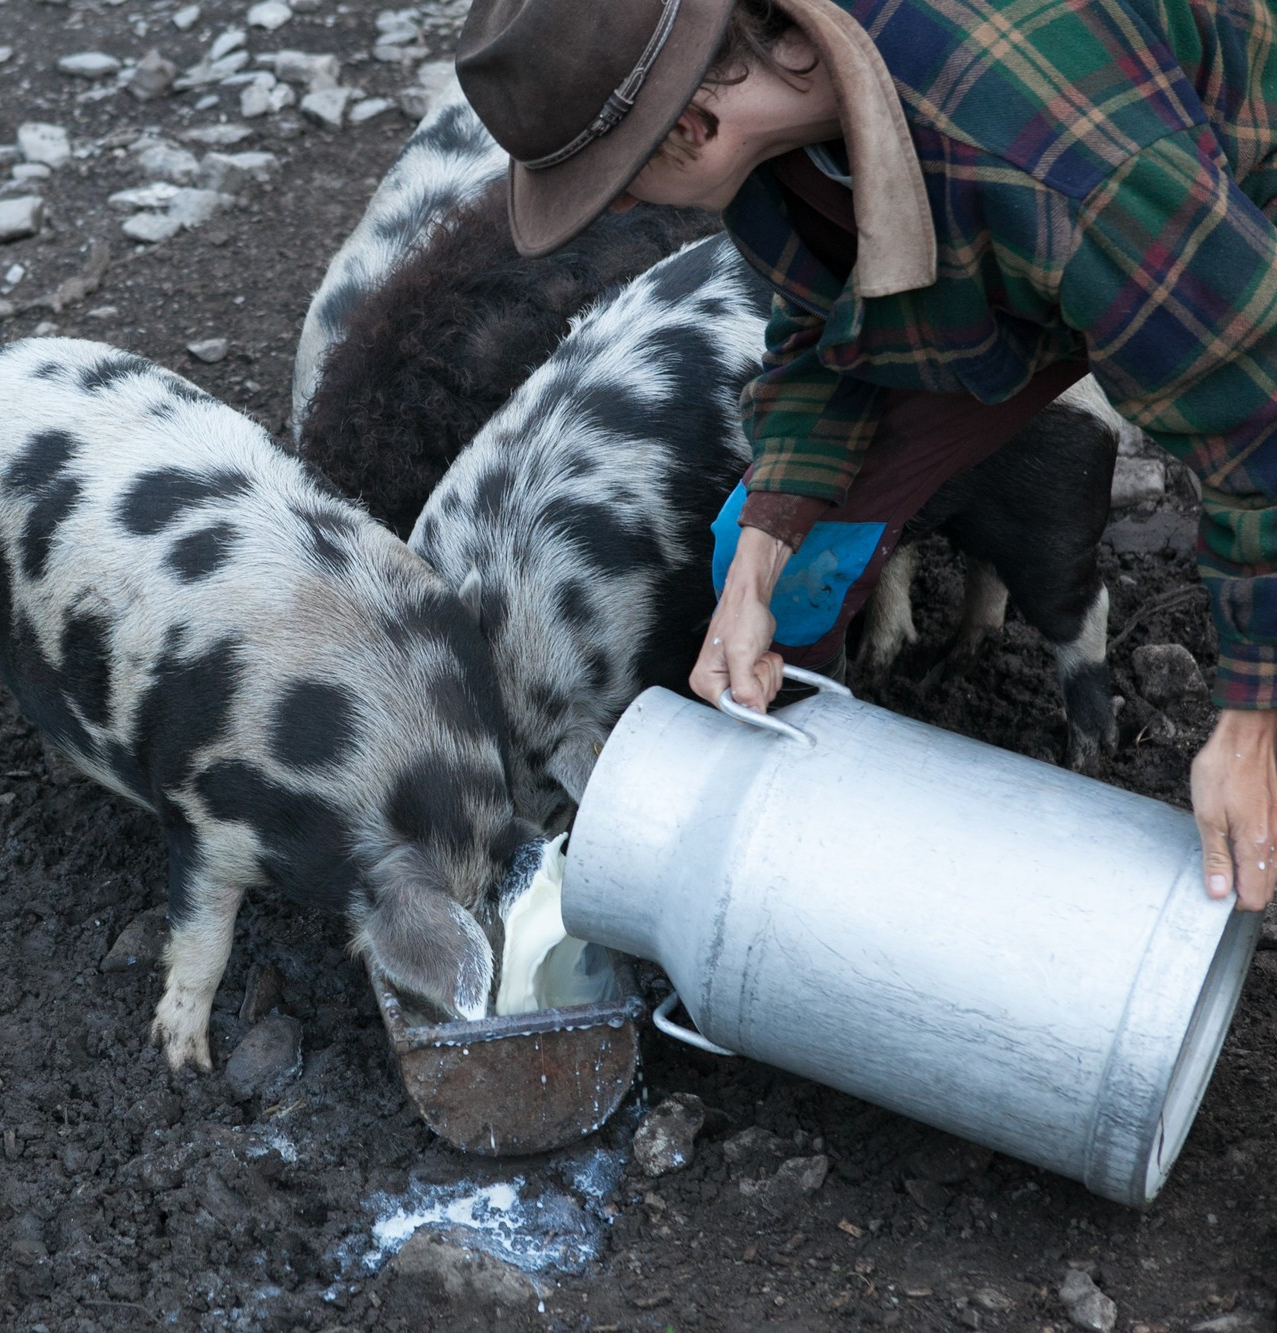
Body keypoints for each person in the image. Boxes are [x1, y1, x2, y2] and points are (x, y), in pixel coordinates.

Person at [455, 0, 1277, 912]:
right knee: (771, 548)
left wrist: (1249, 722)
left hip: (1223, 241)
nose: (626, 211)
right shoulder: (788, 133)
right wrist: (758, 564)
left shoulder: (1061, 172)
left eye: (619, 188)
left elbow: (1260, 412)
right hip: (1053, 253)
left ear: (690, 126)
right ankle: (785, 829)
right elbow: (824, 332)